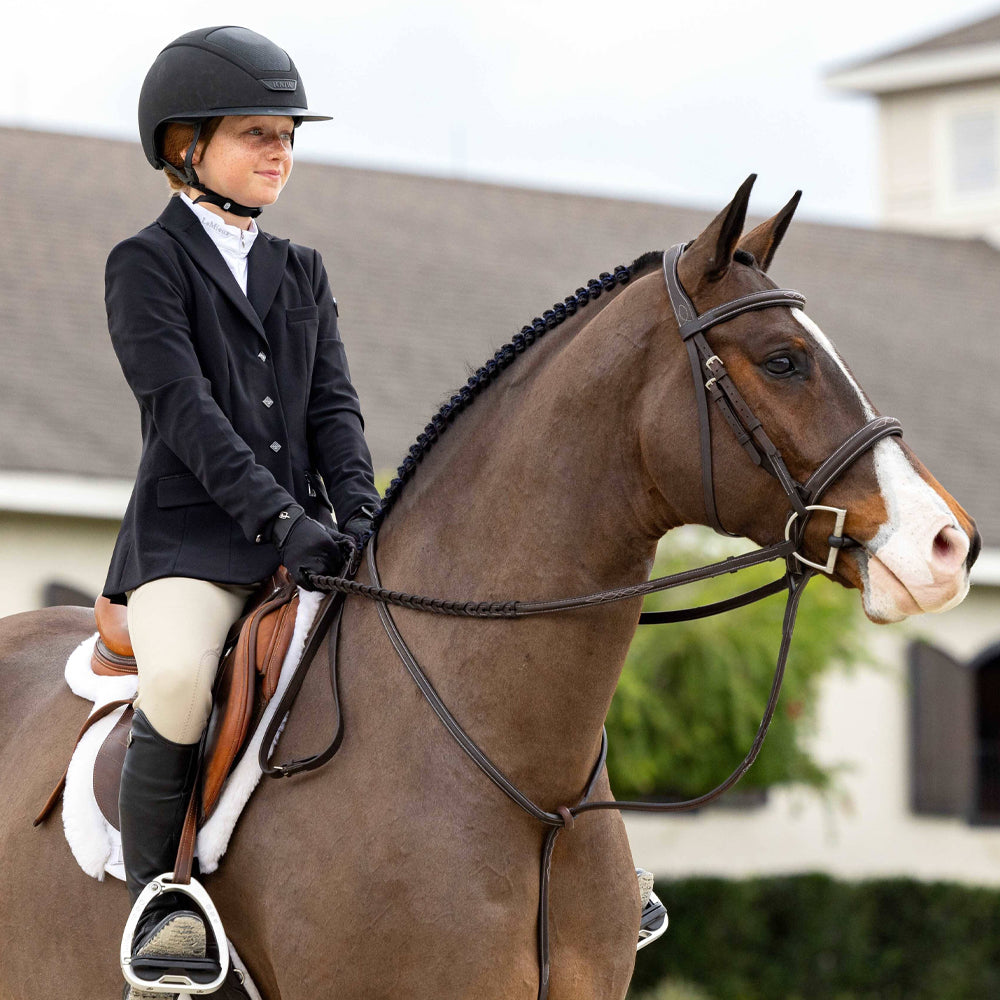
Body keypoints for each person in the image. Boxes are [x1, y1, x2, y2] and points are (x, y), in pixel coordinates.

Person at [104, 25, 380, 996]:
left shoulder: (299, 269)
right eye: (257, 132)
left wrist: (360, 509)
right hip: (192, 546)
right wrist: (281, 523)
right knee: (178, 677)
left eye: (287, 135)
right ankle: (156, 900)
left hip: (307, 538)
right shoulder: (145, 263)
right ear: (186, 145)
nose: (280, 152)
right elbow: (184, 413)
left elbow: (334, 408)